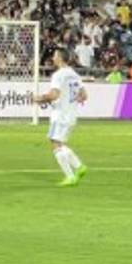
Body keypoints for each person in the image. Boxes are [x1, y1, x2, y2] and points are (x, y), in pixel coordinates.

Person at [33, 48, 88, 187]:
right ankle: (79, 166)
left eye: (55, 55)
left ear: (60, 58)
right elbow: (84, 95)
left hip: (60, 114)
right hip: (71, 115)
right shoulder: (74, 74)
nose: (53, 58)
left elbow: (54, 95)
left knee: (55, 143)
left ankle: (70, 176)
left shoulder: (58, 75)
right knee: (60, 143)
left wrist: (40, 98)